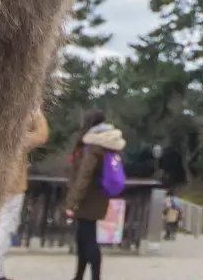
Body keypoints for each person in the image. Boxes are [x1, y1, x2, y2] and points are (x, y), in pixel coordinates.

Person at [63, 110, 124, 280]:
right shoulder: (107, 145)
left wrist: (72, 202)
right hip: (98, 198)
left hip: (87, 200)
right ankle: (79, 275)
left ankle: (94, 277)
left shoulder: (93, 147)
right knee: (82, 239)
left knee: (88, 241)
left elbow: (84, 177)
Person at [0, 109, 50, 280]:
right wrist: (35, 110)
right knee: (4, 227)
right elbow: (42, 134)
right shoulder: (14, 135)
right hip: (11, 183)